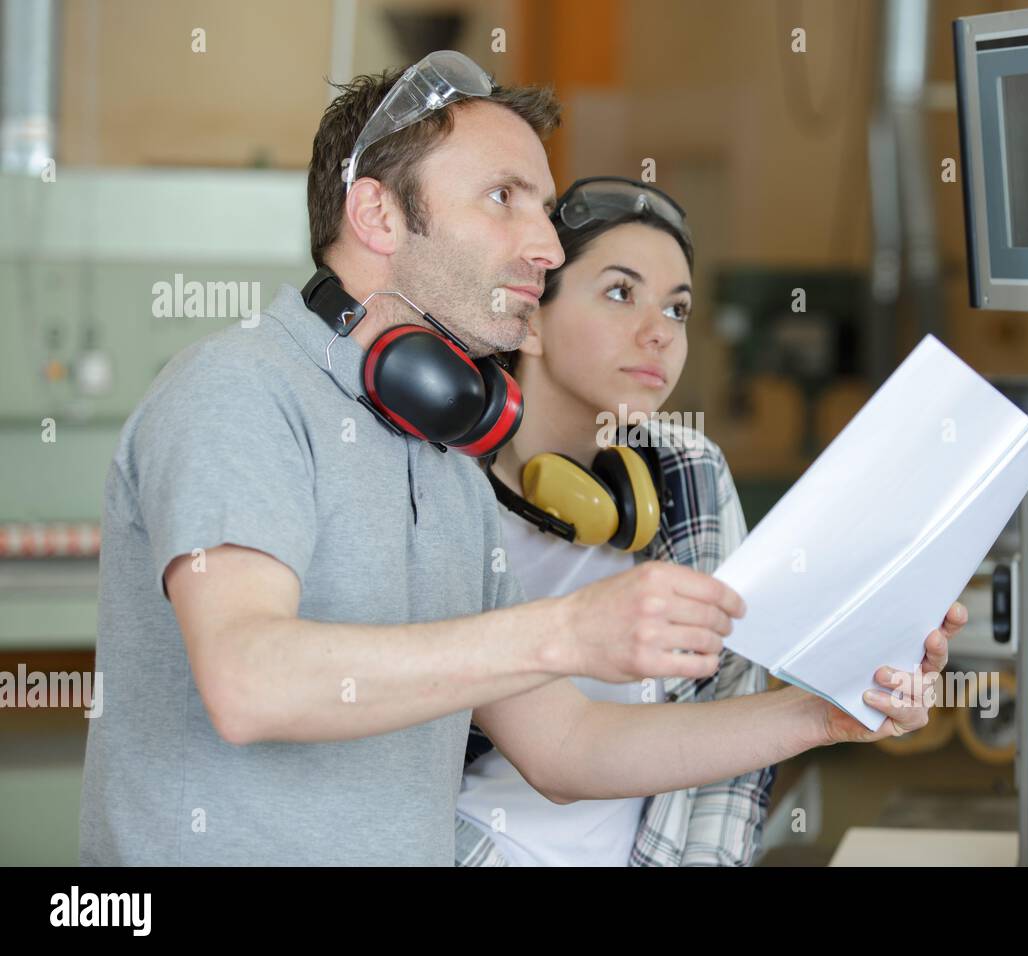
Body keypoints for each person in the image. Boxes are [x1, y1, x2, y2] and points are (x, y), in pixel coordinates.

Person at [80, 51, 965, 866]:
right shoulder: (239, 389)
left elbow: (568, 748)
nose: (545, 246)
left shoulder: (445, 461)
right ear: (378, 213)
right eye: (503, 197)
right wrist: (568, 631)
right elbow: (249, 681)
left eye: (542, 207)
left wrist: (825, 715)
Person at [456, 178, 775, 866]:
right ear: (530, 321)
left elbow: (733, 711)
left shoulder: (690, 471)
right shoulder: (446, 491)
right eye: (621, 292)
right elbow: (562, 753)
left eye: (678, 308)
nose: (660, 331)